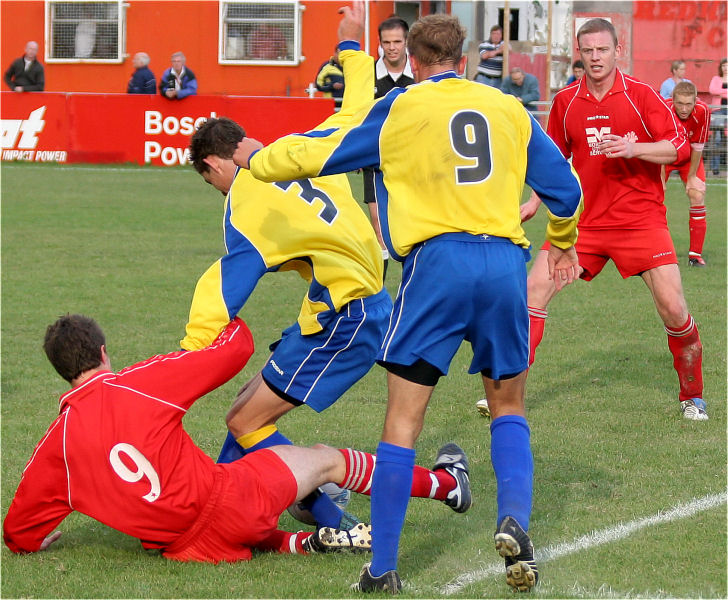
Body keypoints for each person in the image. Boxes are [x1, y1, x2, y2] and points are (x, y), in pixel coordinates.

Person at [233, 4, 583, 593]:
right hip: (503, 263)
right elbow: (565, 190)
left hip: (437, 265)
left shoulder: (399, 105)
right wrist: (564, 244)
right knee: (509, 406)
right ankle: (516, 523)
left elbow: (321, 152)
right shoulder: (508, 108)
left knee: (403, 421)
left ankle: (384, 569)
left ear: (414, 63)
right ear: (465, 63)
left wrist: (258, 161)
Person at [3, 314, 471, 564]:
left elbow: (17, 533)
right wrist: (225, 314)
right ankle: (449, 485)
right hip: (232, 505)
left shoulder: (55, 442)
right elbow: (236, 350)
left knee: (226, 476)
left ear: (62, 372)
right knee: (327, 460)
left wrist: (33, 543)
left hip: (179, 548)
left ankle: (297, 544)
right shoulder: (137, 382)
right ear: (104, 351)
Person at [184, 89, 395, 530]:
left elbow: (227, 283)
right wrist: (354, 52)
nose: (217, 190)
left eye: (211, 183)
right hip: (340, 308)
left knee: (246, 422)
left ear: (213, 164)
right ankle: (217, 504)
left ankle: (329, 513)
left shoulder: (244, 202)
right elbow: (352, 109)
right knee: (245, 404)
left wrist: (191, 352)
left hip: (347, 317)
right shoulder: (299, 143)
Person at [518, 19, 705, 421]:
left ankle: (693, 396)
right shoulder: (566, 100)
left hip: (641, 221)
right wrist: (535, 200)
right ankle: (509, 393)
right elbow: (553, 161)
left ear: (617, 51)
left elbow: (678, 147)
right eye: (588, 51)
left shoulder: (641, 95)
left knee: (673, 308)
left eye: (603, 50)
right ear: (579, 53)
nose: (596, 57)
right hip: (584, 224)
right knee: (533, 290)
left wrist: (635, 148)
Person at [362, 16, 415, 279]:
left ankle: (414, 285)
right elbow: (357, 115)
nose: (392, 47)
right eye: (386, 42)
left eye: (397, 41)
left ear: (407, 42)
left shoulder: (420, 75)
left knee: (413, 225)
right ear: (380, 44)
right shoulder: (367, 76)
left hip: (413, 161)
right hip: (376, 160)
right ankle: (379, 297)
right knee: (379, 224)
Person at [663, 81, 711, 267]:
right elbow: (657, 143)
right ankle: (656, 252)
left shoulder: (703, 110)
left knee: (696, 194)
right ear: (672, 100)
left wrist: (692, 177)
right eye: (680, 103)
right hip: (665, 155)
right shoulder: (664, 108)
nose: (684, 108)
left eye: (688, 104)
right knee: (653, 199)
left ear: (695, 101)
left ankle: (695, 256)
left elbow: (698, 146)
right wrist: (661, 180)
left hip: (690, 156)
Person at [708, 58, 727, 175]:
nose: (726, 68)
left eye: (727, 65)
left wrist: (721, 93)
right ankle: (715, 168)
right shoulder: (716, 79)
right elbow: (712, 90)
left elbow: (717, 91)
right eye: (723, 65)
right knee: (717, 139)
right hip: (718, 111)